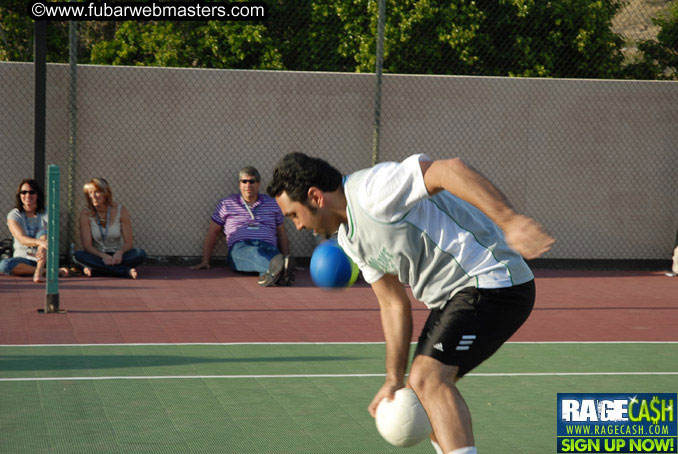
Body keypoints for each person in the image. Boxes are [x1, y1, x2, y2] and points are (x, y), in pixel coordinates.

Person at [267, 153, 554, 454]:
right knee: (421, 388)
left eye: (294, 215)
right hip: (453, 297)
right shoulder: (351, 240)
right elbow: (393, 304)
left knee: (429, 378)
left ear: (315, 197)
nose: (297, 226)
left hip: (492, 279)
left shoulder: (373, 191)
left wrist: (510, 220)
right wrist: (393, 378)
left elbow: (448, 170)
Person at [190, 166, 294, 286]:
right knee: (255, 253)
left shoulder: (272, 203)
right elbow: (213, 232)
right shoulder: (227, 203)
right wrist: (205, 261)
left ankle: (271, 274)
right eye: (244, 181)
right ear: (239, 184)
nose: (248, 185)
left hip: (268, 245)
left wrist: (286, 256)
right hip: (240, 247)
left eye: (252, 181)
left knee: (271, 255)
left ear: (258, 184)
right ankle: (281, 271)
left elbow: (281, 233)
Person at [73, 178, 146, 279]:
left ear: (106, 193)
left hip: (118, 255)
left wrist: (119, 253)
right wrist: (103, 256)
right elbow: (87, 246)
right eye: (90, 193)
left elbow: (129, 243)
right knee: (77, 255)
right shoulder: (86, 214)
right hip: (97, 255)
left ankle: (96, 271)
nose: (93, 196)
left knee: (139, 254)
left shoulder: (121, 211)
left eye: (97, 192)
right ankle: (124, 271)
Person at [1, 179, 68, 283]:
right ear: (19, 195)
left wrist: (41, 245)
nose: (27, 195)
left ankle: (40, 270)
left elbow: (49, 234)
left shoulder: (47, 212)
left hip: (44, 257)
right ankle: (47, 271)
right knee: (4, 265)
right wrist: (39, 242)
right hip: (23, 260)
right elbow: (22, 240)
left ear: (38, 194)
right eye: (24, 192)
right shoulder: (14, 215)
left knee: (43, 233)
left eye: (31, 192)